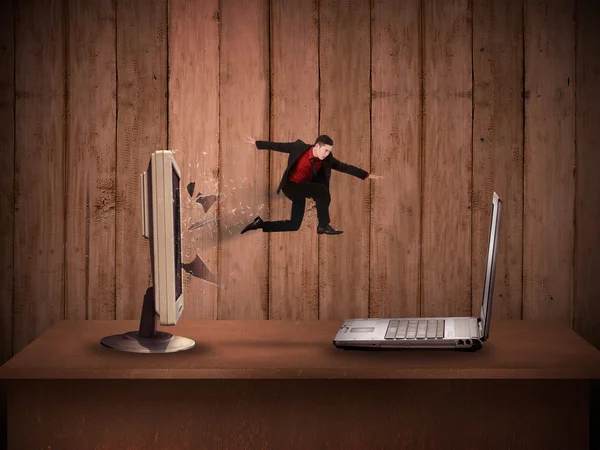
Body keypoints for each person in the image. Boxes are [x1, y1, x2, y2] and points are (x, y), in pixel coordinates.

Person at [241, 135, 382, 235]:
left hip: (301, 189)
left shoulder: (327, 160)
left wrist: (367, 175)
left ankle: (260, 224)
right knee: (322, 190)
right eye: (325, 150)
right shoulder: (299, 148)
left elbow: (344, 167)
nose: (327, 154)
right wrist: (257, 143)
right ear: (317, 146)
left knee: (294, 225)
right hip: (290, 187)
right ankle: (323, 225)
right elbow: (278, 146)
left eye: (329, 151)